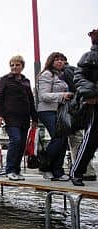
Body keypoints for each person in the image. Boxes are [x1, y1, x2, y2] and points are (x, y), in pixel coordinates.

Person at [0, 55, 38, 181]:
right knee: (16, 140)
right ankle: (10, 170)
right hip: (10, 117)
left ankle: (17, 170)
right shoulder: (4, 80)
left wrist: (35, 118)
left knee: (22, 144)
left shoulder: (26, 81)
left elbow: (30, 99)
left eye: (17, 65)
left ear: (22, 66)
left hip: (24, 117)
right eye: (12, 65)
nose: (14, 67)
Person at [37, 52, 73, 181]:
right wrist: (62, 95)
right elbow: (43, 96)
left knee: (63, 140)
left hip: (60, 111)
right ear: (51, 61)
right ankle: (45, 165)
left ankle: (57, 170)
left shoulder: (62, 75)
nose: (60, 62)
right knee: (58, 137)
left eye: (62, 60)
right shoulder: (47, 75)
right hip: (47, 110)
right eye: (57, 60)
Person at [61, 57, 96, 181]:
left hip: (72, 108)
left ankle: (80, 171)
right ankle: (87, 170)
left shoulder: (66, 72)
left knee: (76, 139)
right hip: (82, 107)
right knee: (82, 139)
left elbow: (75, 87)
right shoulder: (75, 70)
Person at [70, 28, 98, 186]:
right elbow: (79, 77)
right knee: (91, 139)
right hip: (95, 102)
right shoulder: (89, 56)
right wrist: (91, 94)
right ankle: (77, 171)